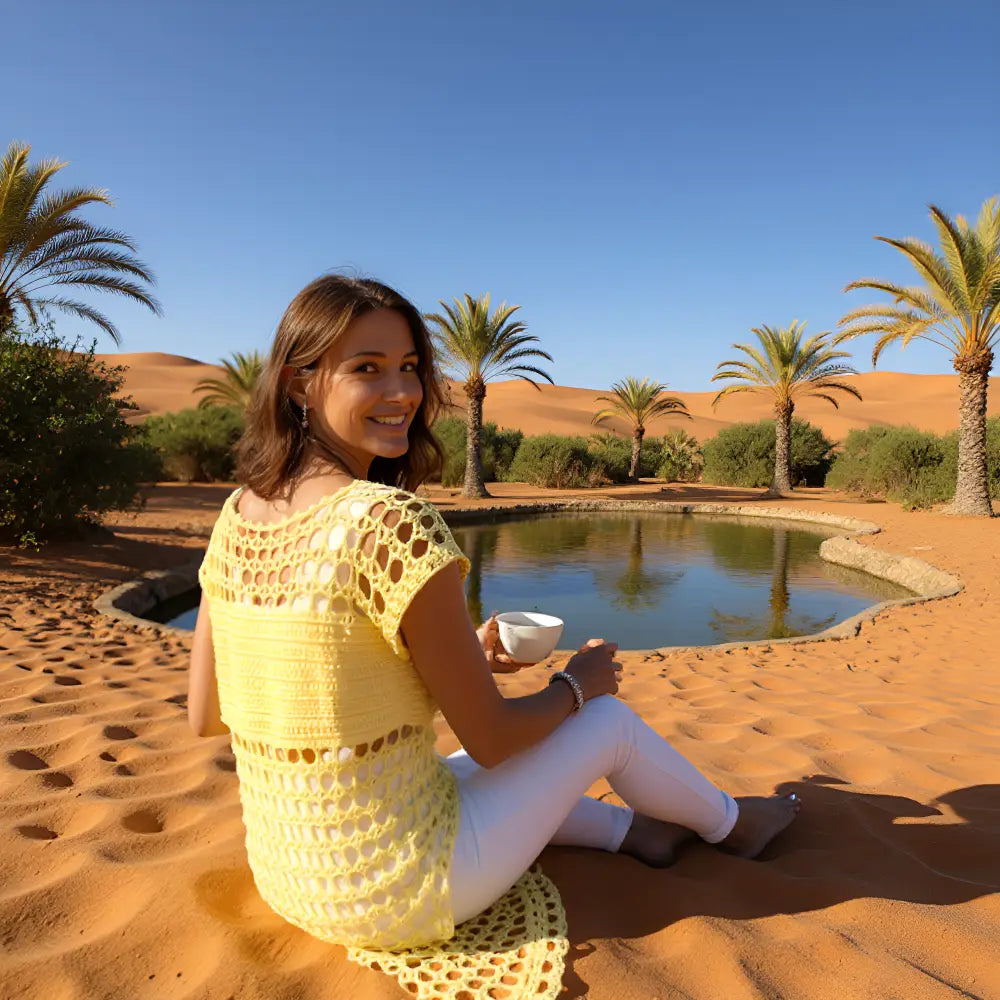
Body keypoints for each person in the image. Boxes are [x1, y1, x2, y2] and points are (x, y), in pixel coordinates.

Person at [187, 274, 800, 998]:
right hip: (403, 892)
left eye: (411, 366)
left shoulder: (239, 514)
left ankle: (629, 832)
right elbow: (496, 741)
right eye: (366, 368)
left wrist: (465, 660)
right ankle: (734, 826)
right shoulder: (387, 521)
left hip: (291, 874)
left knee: (434, 773)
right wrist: (579, 685)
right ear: (299, 383)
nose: (402, 392)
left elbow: (206, 714)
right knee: (605, 724)